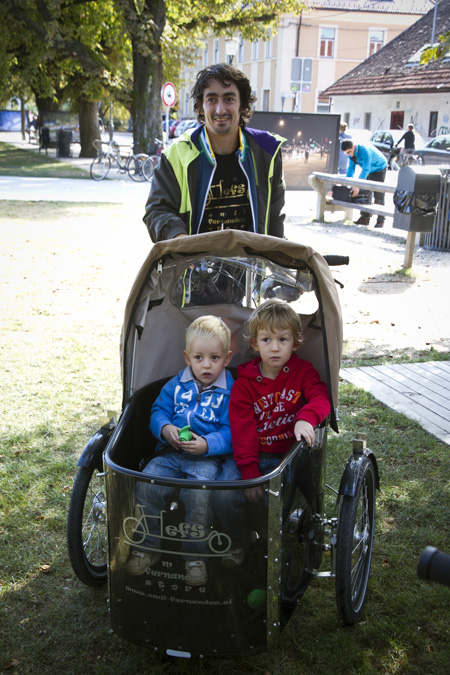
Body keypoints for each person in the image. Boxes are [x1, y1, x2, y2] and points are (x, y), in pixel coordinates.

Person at [215, 299, 331, 563]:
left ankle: (273, 546)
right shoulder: (244, 385)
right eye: (266, 340)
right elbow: (242, 430)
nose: (275, 348)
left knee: (277, 504)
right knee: (223, 496)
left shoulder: (303, 373)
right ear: (255, 344)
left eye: (282, 339)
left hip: (287, 458)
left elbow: (320, 398)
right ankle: (238, 541)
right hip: (251, 456)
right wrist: (250, 473)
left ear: (295, 342)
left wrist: (306, 418)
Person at [126, 315, 234, 586]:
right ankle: (148, 547)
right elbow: (158, 411)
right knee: (148, 484)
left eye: (214, 358)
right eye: (199, 358)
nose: (206, 365)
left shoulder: (231, 391)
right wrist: (164, 429)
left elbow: (233, 431)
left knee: (197, 497)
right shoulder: (176, 385)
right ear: (187, 358)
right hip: (170, 452)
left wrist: (207, 445)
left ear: (227, 358)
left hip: (206, 458)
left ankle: (194, 557)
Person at [143, 63, 286, 242]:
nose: (220, 109)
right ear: (201, 107)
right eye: (211, 99)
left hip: (250, 267)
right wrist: (180, 239)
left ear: (242, 105)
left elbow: (274, 219)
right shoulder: (177, 155)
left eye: (229, 99)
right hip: (192, 266)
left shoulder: (267, 151)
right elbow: (157, 210)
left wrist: (278, 258)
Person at [341, 139, 387, 228]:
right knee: (365, 193)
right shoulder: (351, 154)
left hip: (379, 168)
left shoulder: (364, 150)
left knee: (378, 193)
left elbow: (366, 169)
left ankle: (381, 219)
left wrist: (357, 185)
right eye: (346, 153)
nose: (349, 155)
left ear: (353, 147)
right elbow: (350, 169)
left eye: (349, 152)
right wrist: (348, 184)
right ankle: (365, 218)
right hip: (369, 169)